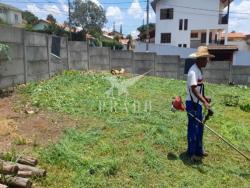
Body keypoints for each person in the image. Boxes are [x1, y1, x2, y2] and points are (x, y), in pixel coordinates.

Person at [186, 46, 214, 161]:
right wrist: (204, 102)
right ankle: (192, 154)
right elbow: (193, 89)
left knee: (200, 128)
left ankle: (199, 150)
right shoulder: (193, 71)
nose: (207, 61)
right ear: (199, 59)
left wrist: (205, 98)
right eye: (205, 59)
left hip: (198, 103)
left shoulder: (198, 70)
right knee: (193, 128)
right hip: (192, 104)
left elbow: (199, 88)